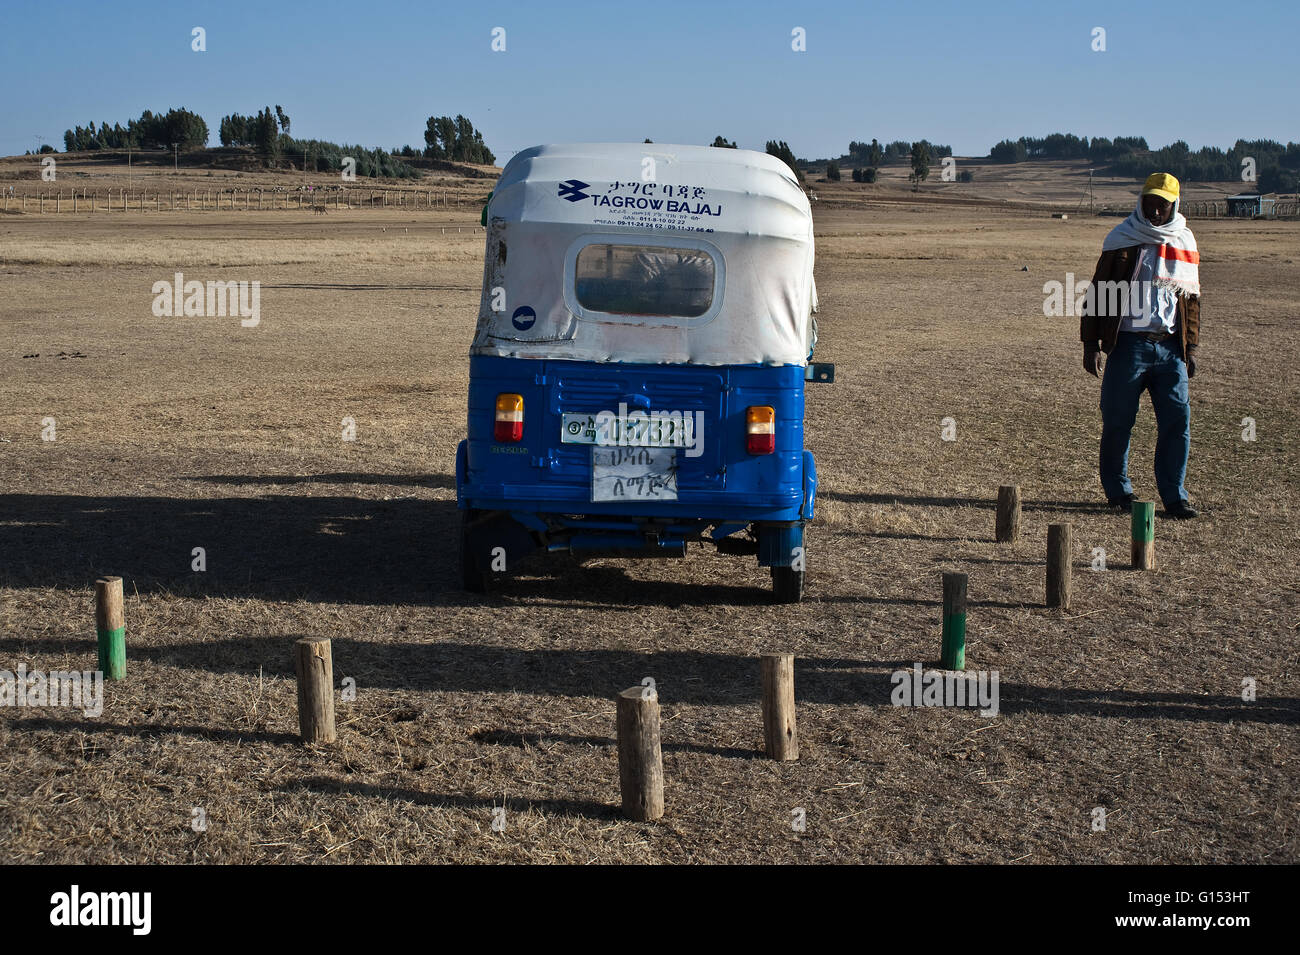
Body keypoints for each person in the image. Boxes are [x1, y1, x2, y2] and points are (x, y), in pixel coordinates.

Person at [1081, 172, 1201, 519]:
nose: (1154, 211)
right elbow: (1098, 293)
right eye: (1149, 202)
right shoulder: (1122, 239)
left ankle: (1175, 497)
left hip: (1169, 350)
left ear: (1173, 205)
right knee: (1118, 420)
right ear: (1141, 201)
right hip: (1128, 346)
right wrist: (1091, 344)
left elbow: (1191, 300)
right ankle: (1118, 492)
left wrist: (1190, 348)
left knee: (1177, 422)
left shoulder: (1184, 242)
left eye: (1161, 205)